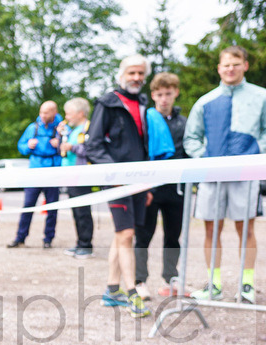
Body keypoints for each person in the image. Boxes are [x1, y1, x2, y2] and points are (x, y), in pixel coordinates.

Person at [86, 55, 174, 319]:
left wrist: (146, 185)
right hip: (116, 182)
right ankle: (132, 293)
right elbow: (93, 145)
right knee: (126, 235)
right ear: (122, 74)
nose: (136, 77)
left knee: (122, 235)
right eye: (131, 73)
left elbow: (144, 147)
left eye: (140, 73)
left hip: (139, 181)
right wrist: (114, 173)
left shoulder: (143, 103)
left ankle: (112, 292)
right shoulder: (107, 102)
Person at [183, 45, 266, 304]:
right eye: (226, 64)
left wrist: (254, 155)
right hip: (212, 176)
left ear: (245, 65)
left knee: (245, 228)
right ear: (219, 68)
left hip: (246, 174)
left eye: (236, 63)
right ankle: (214, 284)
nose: (230, 68)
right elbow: (191, 138)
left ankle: (247, 284)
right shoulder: (205, 101)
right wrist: (207, 160)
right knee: (211, 229)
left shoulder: (261, 96)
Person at [137, 72, 188, 299]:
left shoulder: (184, 122)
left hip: (176, 189)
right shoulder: (146, 120)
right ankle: (139, 280)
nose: (164, 99)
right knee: (143, 234)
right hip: (149, 187)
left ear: (176, 93)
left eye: (168, 93)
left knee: (173, 236)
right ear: (153, 95)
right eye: (159, 94)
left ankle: (171, 278)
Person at [7, 101, 61, 248]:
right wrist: (27, 146)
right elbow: (21, 146)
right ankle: (20, 237)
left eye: (46, 113)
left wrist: (60, 143)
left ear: (54, 113)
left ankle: (48, 239)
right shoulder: (33, 128)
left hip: (52, 172)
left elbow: (69, 148)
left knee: (52, 208)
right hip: (35, 171)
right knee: (28, 206)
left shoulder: (61, 128)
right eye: (41, 112)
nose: (42, 115)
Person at [58, 98, 95, 259]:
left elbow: (91, 150)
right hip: (70, 176)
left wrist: (72, 147)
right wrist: (61, 136)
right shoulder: (72, 130)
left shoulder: (89, 128)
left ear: (80, 113)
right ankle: (80, 242)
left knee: (83, 212)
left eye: (69, 113)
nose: (67, 117)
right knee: (76, 211)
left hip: (82, 176)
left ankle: (86, 245)